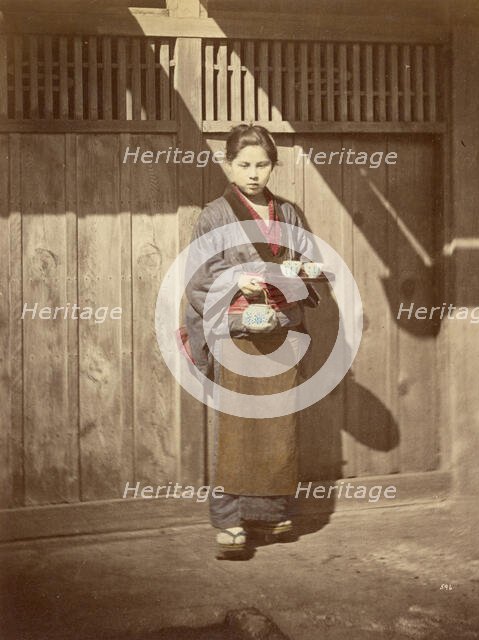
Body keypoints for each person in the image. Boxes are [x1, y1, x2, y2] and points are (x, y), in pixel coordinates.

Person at [184, 124, 321, 559]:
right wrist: (235, 281)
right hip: (236, 333)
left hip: (280, 329)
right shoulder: (215, 214)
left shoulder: (290, 213)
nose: (253, 173)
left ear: (273, 166)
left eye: (262, 164)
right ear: (229, 164)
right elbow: (199, 278)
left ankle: (271, 512)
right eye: (244, 164)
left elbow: (306, 263)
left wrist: (304, 272)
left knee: (279, 427)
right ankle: (229, 520)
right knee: (236, 428)